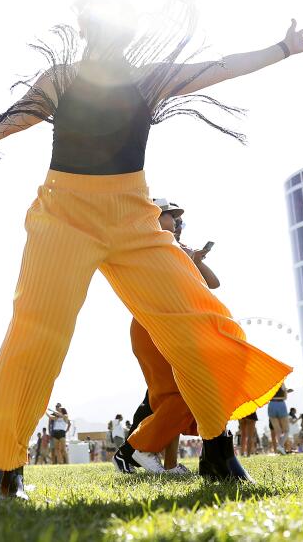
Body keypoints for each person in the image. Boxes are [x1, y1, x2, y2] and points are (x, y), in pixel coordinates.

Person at [0, 0, 303, 498]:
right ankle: (6, 469)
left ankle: (217, 451)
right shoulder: (61, 78)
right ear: (87, 30)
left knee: (200, 323)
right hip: (63, 217)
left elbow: (220, 68)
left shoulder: (149, 78)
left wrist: (282, 48)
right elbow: (16, 119)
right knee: (35, 337)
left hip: (133, 217)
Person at [114, 197, 227, 475]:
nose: (177, 221)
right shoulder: (149, 247)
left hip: (173, 326)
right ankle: (136, 448)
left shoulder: (175, 248)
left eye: (178, 217)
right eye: (170, 215)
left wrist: (194, 260)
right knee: (180, 395)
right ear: (153, 218)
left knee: (175, 396)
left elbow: (213, 283)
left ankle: (168, 463)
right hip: (153, 326)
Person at [267, 385, 292, 454]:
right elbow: (285, 397)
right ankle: (280, 445)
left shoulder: (269, 384)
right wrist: (286, 391)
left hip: (271, 404)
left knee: (278, 431)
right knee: (286, 430)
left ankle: (281, 448)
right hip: (280, 404)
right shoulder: (281, 383)